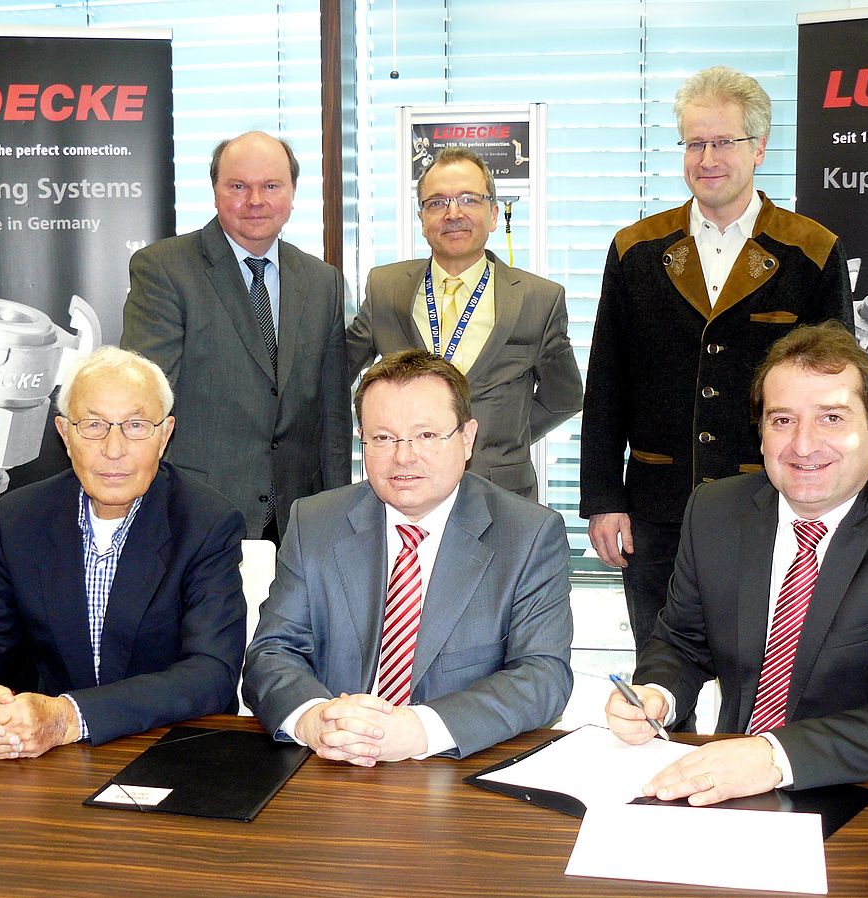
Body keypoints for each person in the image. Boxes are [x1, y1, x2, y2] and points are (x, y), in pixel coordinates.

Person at [605, 322, 868, 803]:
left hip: (863, 788)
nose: (803, 445)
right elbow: (682, 640)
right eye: (782, 420)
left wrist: (773, 756)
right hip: (732, 782)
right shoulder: (715, 510)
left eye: (832, 418)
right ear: (761, 434)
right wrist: (657, 694)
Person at [580, 66, 854, 652]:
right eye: (694, 143)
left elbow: (839, 393)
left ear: (759, 147)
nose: (706, 159)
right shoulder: (636, 249)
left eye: (723, 142)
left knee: (763, 670)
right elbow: (606, 384)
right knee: (659, 670)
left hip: (772, 502)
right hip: (656, 509)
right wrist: (604, 500)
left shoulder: (811, 250)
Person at [243, 349, 573, 764]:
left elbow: (542, 675)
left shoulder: (528, 535)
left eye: (427, 435)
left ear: (467, 438)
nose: (403, 456)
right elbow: (271, 653)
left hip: (455, 768)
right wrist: (314, 719)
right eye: (383, 438)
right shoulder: (314, 522)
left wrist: (419, 729)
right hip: (332, 763)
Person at [0, 346, 246, 758]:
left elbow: (211, 674)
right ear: (65, 434)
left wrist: (69, 717)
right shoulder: (21, 519)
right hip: (47, 760)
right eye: (93, 425)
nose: (114, 448)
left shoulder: (206, 523)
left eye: (135, 426)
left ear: (164, 435)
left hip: (172, 751)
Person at [122, 130, 351, 543]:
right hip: (195, 512)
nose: (256, 200)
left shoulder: (323, 282)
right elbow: (143, 400)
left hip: (298, 517)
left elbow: (333, 417)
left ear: (293, 193)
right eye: (238, 186)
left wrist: (336, 512)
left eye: (271, 186)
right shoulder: (164, 270)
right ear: (215, 192)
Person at [347, 147, 582, 500]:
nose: (453, 214)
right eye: (437, 203)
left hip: (500, 491)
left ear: (493, 214)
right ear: (422, 219)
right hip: (405, 486)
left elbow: (564, 397)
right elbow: (336, 373)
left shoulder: (538, 299)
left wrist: (503, 437)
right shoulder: (385, 288)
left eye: (469, 199)